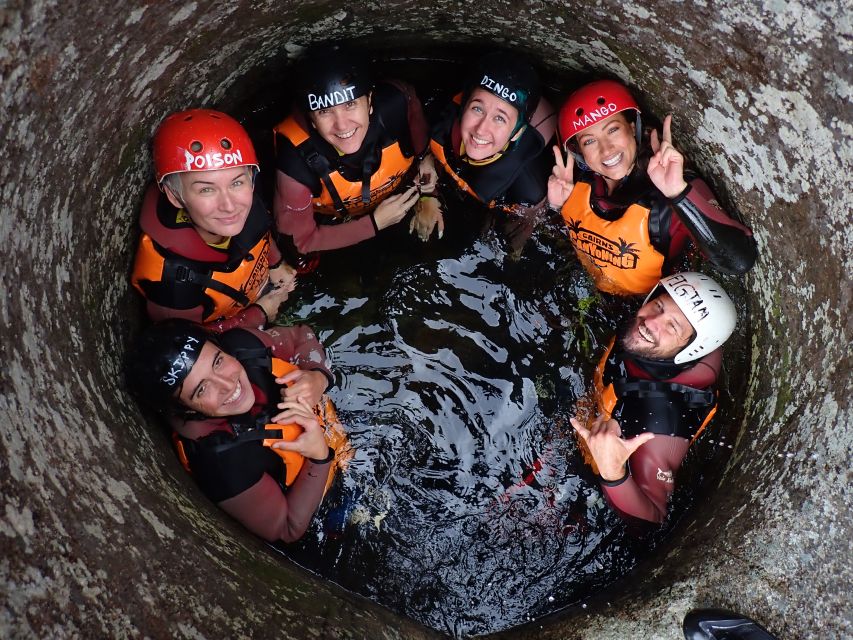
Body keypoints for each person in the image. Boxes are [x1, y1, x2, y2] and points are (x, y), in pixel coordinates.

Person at [125, 319, 346, 543]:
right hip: (329, 498)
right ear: (185, 411)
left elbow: (302, 335)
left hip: (337, 427)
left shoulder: (242, 344)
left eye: (218, 362)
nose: (227, 384)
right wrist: (319, 457)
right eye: (202, 389)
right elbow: (286, 529)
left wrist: (318, 376)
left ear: (221, 347)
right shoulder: (224, 463)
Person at [549, 80, 757, 296]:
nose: (606, 149)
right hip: (588, 290)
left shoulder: (672, 193)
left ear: (632, 129)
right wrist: (560, 207)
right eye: (589, 141)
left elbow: (739, 261)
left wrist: (678, 193)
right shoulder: (579, 184)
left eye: (612, 130)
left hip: (646, 304)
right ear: (580, 152)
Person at [571, 272, 736, 524]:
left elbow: (652, 523)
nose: (652, 322)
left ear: (690, 350)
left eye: (672, 326)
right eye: (658, 306)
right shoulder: (654, 340)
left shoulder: (659, 425)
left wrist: (612, 471)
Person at [131, 109, 295, 333]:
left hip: (261, 291)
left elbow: (257, 231)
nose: (229, 205)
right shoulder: (173, 284)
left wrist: (275, 263)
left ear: (250, 179)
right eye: (206, 189)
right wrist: (259, 313)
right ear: (173, 195)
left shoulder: (244, 201)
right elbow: (190, 344)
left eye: (236, 183)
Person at [273, 46, 433, 265]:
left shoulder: (398, 107)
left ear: (369, 102)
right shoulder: (296, 162)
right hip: (335, 222)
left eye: (350, 104)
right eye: (324, 111)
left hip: (397, 199)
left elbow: (426, 155)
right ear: (311, 119)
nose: (342, 125)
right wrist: (373, 224)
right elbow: (301, 241)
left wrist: (430, 195)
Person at [412, 51, 557, 242]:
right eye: (477, 109)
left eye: (499, 118)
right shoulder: (443, 117)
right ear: (463, 107)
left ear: (517, 132)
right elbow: (430, 151)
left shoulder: (527, 186)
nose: (481, 129)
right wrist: (428, 195)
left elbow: (521, 232)